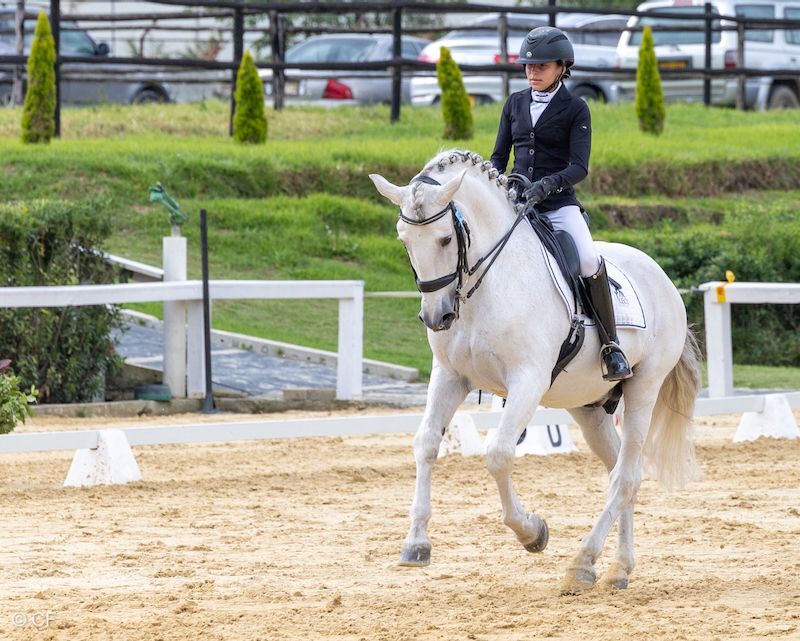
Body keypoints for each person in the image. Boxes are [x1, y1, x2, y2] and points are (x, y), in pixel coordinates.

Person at [490, 26, 632, 382]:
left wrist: (548, 184)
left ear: (562, 67)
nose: (532, 72)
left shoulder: (575, 108)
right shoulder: (514, 103)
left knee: (588, 260)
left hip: (558, 204)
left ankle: (611, 346)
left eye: (541, 66)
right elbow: (498, 158)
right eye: (528, 66)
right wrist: (493, 185)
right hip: (518, 203)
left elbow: (579, 166)